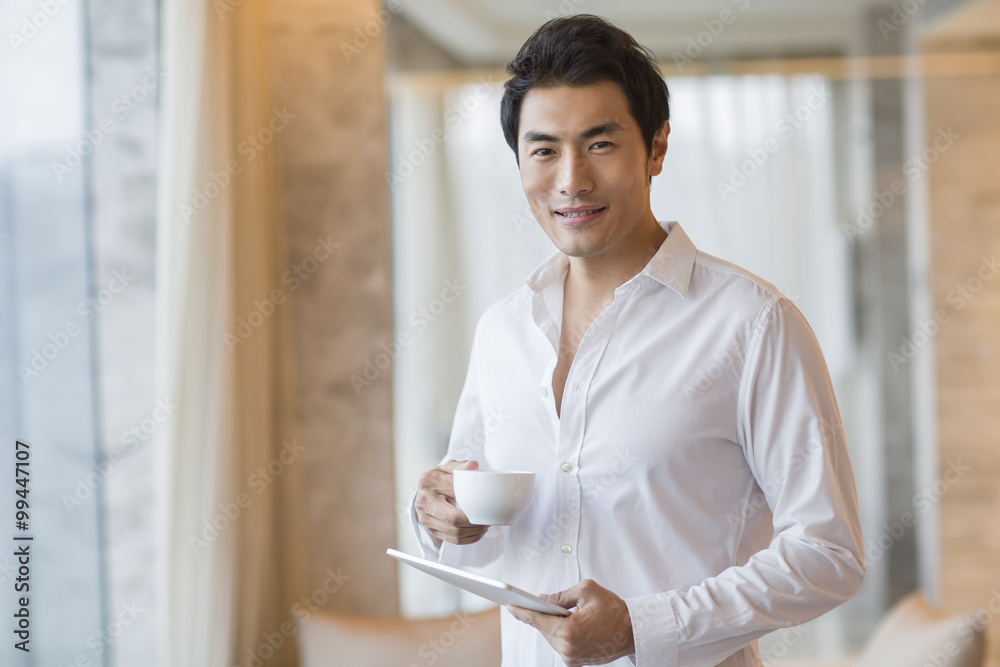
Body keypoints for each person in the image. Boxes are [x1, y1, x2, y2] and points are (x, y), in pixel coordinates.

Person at [411, 14, 864, 667]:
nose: (571, 180)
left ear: (656, 148)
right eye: (543, 149)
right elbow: (478, 523)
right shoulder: (501, 331)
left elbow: (830, 553)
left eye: (599, 144)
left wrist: (644, 627)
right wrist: (443, 513)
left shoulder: (753, 323)